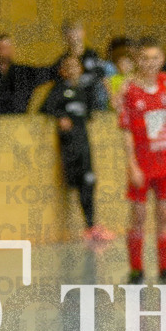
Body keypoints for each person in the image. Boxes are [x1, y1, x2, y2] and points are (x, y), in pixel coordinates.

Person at [119, 37, 166, 285]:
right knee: (138, 217)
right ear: (138, 60)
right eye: (145, 59)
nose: (150, 63)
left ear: (162, 60)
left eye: (155, 58)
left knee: (165, 216)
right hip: (142, 165)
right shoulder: (130, 90)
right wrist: (132, 164)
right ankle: (136, 271)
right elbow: (125, 131)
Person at [40, 55, 114, 242]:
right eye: (68, 67)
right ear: (62, 70)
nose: (72, 70)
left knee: (88, 183)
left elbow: (90, 113)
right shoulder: (58, 90)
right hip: (68, 147)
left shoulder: (83, 91)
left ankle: (91, 226)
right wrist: (60, 116)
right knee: (75, 184)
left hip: (84, 145)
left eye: (76, 66)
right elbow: (45, 108)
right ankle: (87, 227)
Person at [0, 34, 56, 115]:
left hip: (19, 121)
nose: (9, 51)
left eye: (10, 47)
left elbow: (53, 72)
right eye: (4, 48)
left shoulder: (24, 72)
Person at [54, 20, 110, 111]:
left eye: (76, 31)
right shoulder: (62, 60)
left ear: (82, 32)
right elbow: (58, 86)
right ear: (65, 36)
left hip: (92, 101)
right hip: (72, 102)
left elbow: (103, 78)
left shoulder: (93, 55)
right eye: (70, 32)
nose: (73, 36)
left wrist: (111, 99)